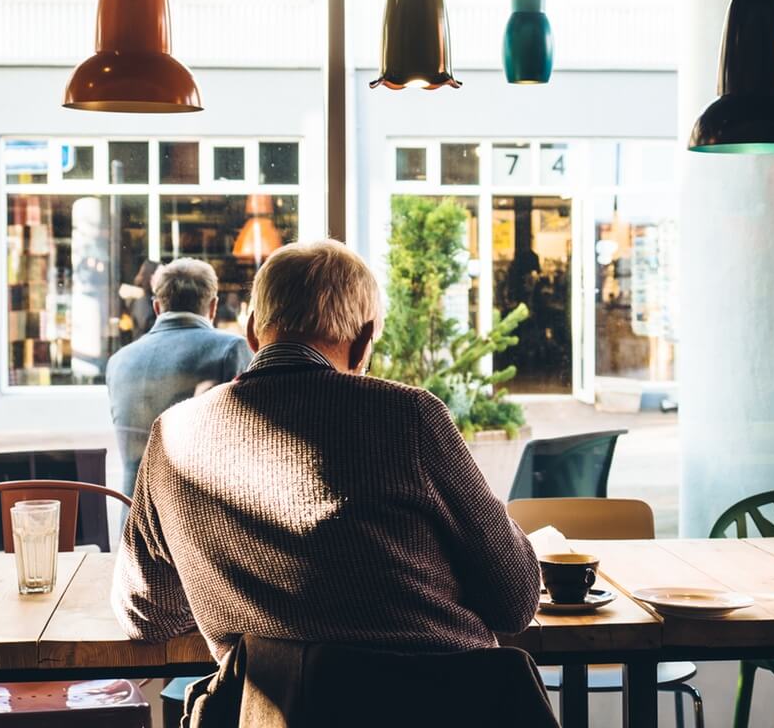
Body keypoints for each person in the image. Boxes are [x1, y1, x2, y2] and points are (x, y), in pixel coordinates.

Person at [111, 239, 540, 660]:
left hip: (274, 712)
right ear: (364, 340)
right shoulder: (410, 416)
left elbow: (145, 615)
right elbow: (515, 600)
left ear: (252, 332)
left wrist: (234, 587)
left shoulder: (173, 436)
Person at [106, 257, 252, 499]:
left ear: (156, 307)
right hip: (197, 521)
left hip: (134, 521)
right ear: (213, 307)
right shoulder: (230, 350)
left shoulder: (119, 361)